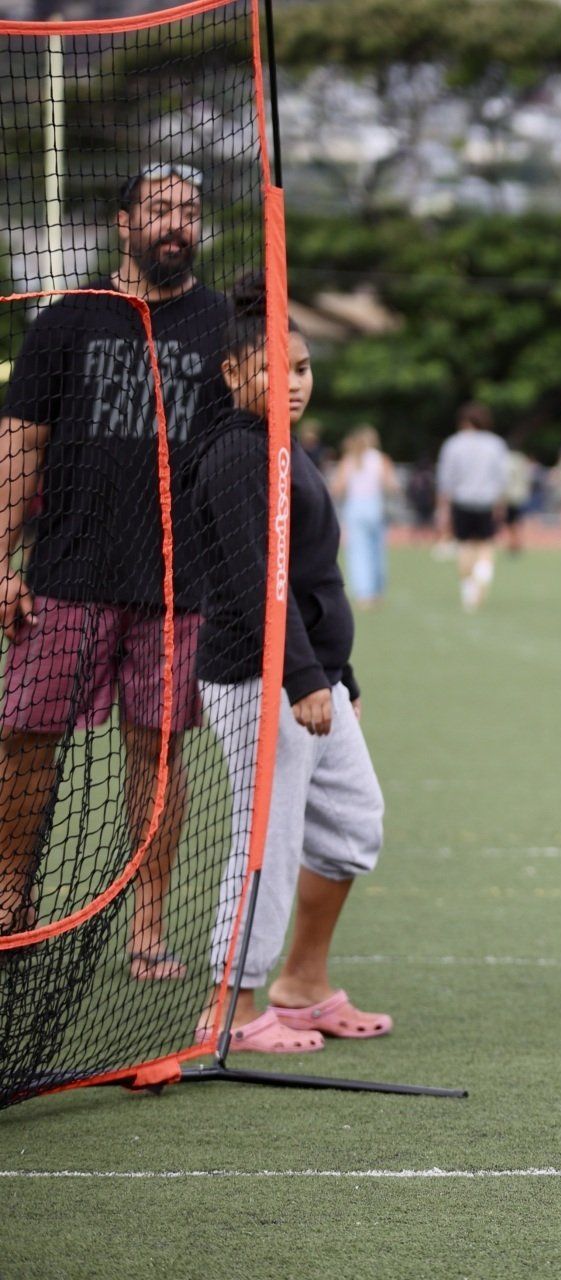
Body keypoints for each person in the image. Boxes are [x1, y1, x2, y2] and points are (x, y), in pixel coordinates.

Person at [0, 161, 230, 973]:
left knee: (156, 758)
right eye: (160, 208)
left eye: (190, 211)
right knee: (25, 739)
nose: (177, 223)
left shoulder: (223, 325)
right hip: (66, 574)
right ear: (124, 221)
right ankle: (10, 896)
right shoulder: (69, 318)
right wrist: (3, 564)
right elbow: (21, 443)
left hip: (178, 584)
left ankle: (147, 926)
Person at [191, 286, 390, 1052]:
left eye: (303, 367)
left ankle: (302, 985)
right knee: (267, 842)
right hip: (259, 677)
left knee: (352, 825)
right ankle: (232, 1009)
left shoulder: (282, 444)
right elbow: (255, 583)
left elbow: (309, 578)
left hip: (310, 675)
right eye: (276, 367)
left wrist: (339, 677)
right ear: (233, 372)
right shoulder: (239, 453)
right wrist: (302, 679)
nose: (296, 381)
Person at [434, 403, 510, 611]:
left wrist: (442, 508)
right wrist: (501, 503)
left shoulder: (453, 444)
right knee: (486, 545)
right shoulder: (496, 444)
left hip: (462, 501)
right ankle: (482, 575)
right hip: (487, 501)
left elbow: (446, 479)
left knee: (465, 545)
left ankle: (468, 589)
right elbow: (502, 478)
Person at [331, 426, 397, 609]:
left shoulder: (349, 460)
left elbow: (338, 487)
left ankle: (364, 593)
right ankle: (377, 590)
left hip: (355, 507)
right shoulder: (381, 459)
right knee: (377, 551)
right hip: (375, 506)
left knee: (358, 552)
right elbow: (391, 485)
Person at [500, 446, 534, 555]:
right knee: (518, 520)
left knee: (510, 521)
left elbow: (505, 479)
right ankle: (517, 542)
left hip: (511, 496)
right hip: (521, 495)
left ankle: (514, 542)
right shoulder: (522, 459)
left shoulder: (507, 460)